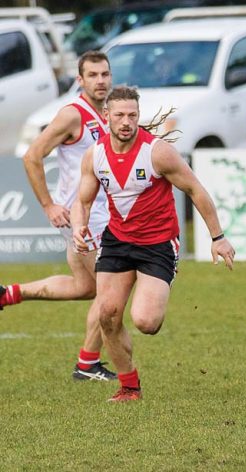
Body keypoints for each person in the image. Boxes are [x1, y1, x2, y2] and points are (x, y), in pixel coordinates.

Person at [70, 86, 236, 402]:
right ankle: (129, 387)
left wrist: (218, 237)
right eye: (119, 115)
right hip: (117, 240)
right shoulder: (95, 154)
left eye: (132, 115)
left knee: (146, 322)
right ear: (106, 115)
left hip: (158, 244)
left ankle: (161, 281)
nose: (126, 122)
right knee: (107, 314)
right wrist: (79, 225)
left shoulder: (157, 152)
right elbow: (83, 200)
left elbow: (196, 189)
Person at [0, 51, 116, 381]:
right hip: (85, 219)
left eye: (105, 74)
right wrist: (48, 205)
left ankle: (9, 294)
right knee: (111, 292)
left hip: (97, 215)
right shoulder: (72, 114)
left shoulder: (107, 112)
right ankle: (88, 364)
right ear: (80, 80)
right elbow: (32, 156)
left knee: (85, 287)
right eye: (92, 75)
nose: (100, 81)